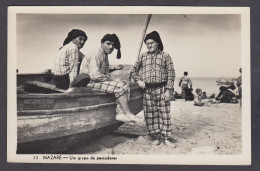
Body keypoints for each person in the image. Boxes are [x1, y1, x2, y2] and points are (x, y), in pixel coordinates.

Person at [80, 33, 142, 123]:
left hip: (94, 81)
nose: (111, 47)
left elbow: (102, 70)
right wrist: (112, 79)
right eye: (108, 44)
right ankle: (127, 114)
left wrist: (113, 68)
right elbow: (95, 75)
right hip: (87, 82)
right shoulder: (96, 53)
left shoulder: (104, 55)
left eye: (113, 45)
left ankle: (121, 113)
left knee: (124, 83)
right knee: (120, 86)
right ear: (102, 43)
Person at [131, 31, 176, 146]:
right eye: (147, 44)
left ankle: (166, 138)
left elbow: (171, 73)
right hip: (147, 90)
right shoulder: (143, 56)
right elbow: (133, 70)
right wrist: (138, 80)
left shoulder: (165, 56)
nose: (149, 45)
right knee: (150, 115)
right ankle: (156, 137)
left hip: (162, 88)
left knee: (164, 114)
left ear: (158, 43)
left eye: (151, 43)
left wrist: (168, 90)